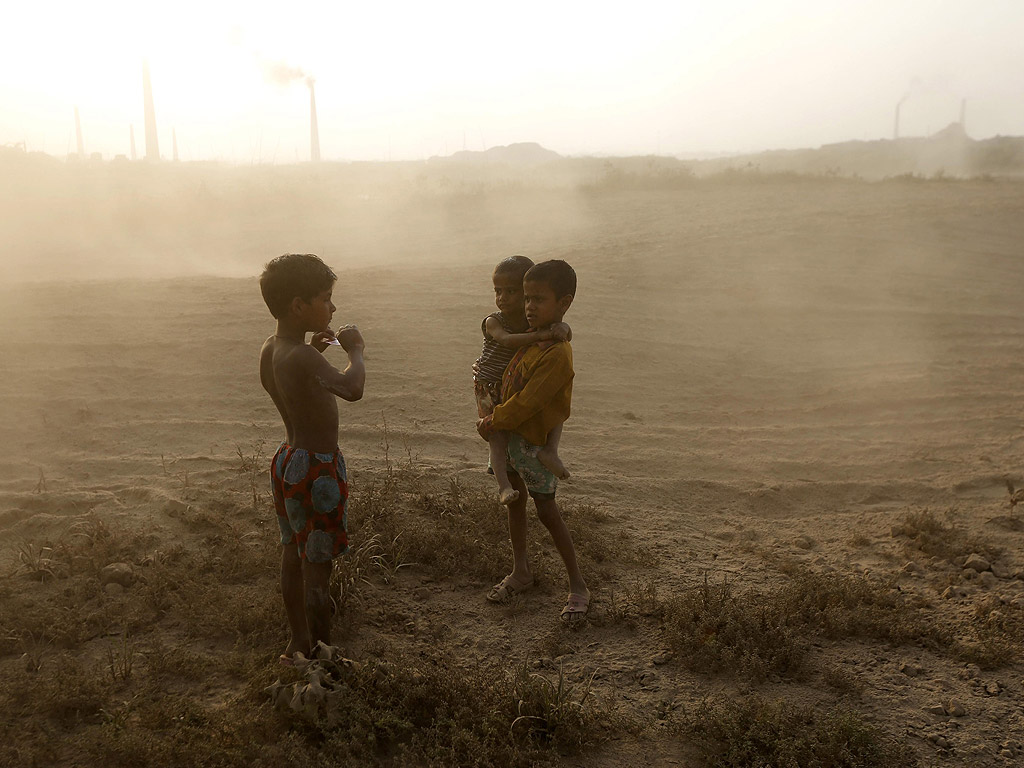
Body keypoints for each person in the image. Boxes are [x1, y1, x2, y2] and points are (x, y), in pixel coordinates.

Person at [258, 253, 365, 665]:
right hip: (316, 469)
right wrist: (355, 352)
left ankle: (297, 641)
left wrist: (314, 347)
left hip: (287, 460)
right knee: (317, 566)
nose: (333, 308)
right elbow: (351, 389)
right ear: (298, 306)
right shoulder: (302, 357)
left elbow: (296, 381)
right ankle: (323, 654)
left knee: (293, 553)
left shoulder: (274, 349)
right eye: (326, 298)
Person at [477, 259, 590, 623]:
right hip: (512, 438)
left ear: (564, 302)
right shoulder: (535, 336)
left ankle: (578, 586)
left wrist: (494, 420)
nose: (528, 306)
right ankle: (520, 571)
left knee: (547, 511)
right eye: (526, 298)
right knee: (516, 505)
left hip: (531, 441)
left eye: (537, 299)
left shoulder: (555, 351)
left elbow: (530, 402)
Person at [474, 255, 571, 506]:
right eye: (498, 291)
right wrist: (545, 334)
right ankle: (503, 486)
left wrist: (563, 329)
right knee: (497, 439)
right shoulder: (495, 320)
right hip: (490, 385)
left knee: (557, 409)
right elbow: (506, 341)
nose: (503, 298)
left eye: (512, 292)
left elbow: (559, 329)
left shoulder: (531, 320)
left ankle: (551, 450)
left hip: (511, 384)